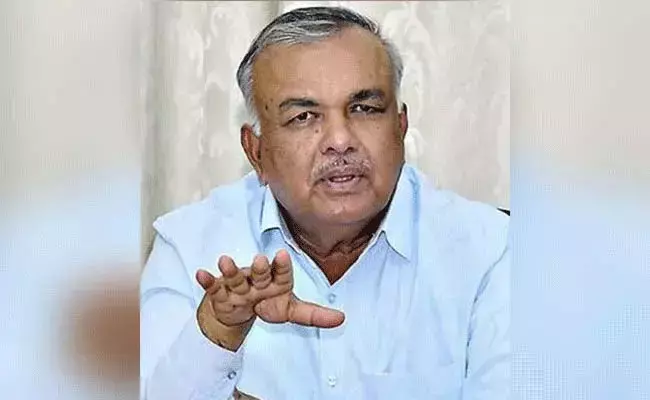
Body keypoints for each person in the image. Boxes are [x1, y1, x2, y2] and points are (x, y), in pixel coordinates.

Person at [140, 6, 509, 400]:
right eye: (303, 116)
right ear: (255, 151)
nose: (340, 140)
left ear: (400, 128)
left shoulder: (491, 250)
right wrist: (218, 332)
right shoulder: (189, 248)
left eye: (364, 109)